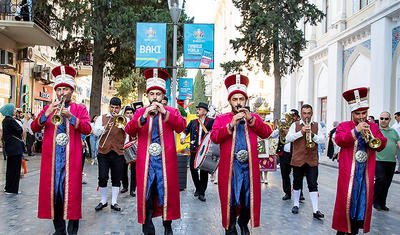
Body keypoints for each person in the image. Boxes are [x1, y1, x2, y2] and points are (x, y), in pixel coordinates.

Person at [31, 65, 91, 235]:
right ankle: (59, 230)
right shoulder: (48, 108)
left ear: (71, 91)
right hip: (52, 162)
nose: (62, 93)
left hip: (71, 161)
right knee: (54, 196)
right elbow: (35, 127)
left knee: (71, 197)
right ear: (55, 91)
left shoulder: (80, 108)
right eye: (59, 89)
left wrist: (70, 117)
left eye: (65, 89)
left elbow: (87, 129)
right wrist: (47, 112)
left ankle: (72, 231)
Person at [125, 68, 186, 235]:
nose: (155, 97)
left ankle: (168, 225)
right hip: (146, 163)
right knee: (147, 195)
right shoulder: (139, 112)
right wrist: (143, 117)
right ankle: (147, 226)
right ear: (148, 95)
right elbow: (129, 130)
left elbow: (181, 126)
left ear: (163, 96)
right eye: (152, 94)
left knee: (167, 194)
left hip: (166, 162)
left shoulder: (171, 111)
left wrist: (165, 112)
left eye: (158, 94)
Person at [210, 74, 272, 234]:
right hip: (229, 170)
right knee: (229, 200)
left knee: (247, 200)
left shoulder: (254, 118)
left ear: (246, 101)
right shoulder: (222, 118)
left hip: (249, 170)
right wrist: (231, 125)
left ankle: (244, 223)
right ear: (230, 101)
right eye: (235, 99)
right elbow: (215, 137)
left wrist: (251, 119)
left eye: (241, 99)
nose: (238, 103)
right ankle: (230, 227)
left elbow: (266, 133)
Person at [332, 87, 387, 235]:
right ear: (352, 113)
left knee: (362, 203)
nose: (362, 116)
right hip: (349, 172)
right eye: (358, 113)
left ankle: (354, 229)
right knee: (346, 201)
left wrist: (372, 138)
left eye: (364, 113)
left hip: (366, 174)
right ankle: (342, 230)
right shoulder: (344, 126)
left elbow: (381, 144)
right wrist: (356, 131)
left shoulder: (374, 126)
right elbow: (340, 140)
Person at [286, 104, 325, 219]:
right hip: (298, 159)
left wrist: (312, 136)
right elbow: (288, 138)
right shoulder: (295, 125)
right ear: (301, 114)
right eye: (304, 113)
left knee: (313, 184)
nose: (306, 116)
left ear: (312, 113)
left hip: (312, 159)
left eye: (308, 113)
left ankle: (315, 210)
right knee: (297, 183)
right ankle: (296, 204)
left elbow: (322, 140)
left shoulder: (317, 125)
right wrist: (301, 133)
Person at [93, 97, 126, 212]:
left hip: (118, 152)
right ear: (109, 106)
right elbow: (95, 132)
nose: (114, 110)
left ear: (120, 108)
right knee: (102, 176)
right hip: (103, 152)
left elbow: (130, 131)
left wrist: (122, 124)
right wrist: (105, 128)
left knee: (116, 177)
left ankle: (114, 202)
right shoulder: (102, 118)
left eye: (117, 108)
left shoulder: (124, 119)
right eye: (112, 107)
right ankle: (103, 201)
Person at [180, 102, 214, 202]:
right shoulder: (193, 122)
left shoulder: (211, 122)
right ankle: (198, 188)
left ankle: (202, 192)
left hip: (205, 151)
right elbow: (185, 131)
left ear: (205, 111)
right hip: (194, 150)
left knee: (204, 172)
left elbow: (216, 132)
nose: (197, 110)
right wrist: (183, 138)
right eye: (197, 109)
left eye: (199, 109)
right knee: (193, 169)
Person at [373, 112, 400, 211]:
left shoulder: (393, 131)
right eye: (381, 118)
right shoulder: (376, 130)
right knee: (381, 179)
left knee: (387, 183)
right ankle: (375, 202)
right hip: (378, 160)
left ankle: (382, 203)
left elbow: (398, 142)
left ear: (389, 120)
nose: (383, 120)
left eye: (386, 119)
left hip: (391, 161)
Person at [1, 103, 24, 194]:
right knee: (14, 169)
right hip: (15, 148)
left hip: (10, 148)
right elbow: (19, 130)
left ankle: (8, 187)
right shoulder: (10, 120)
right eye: (14, 109)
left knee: (10, 169)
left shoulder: (5, 120)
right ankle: (12, 189)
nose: (15, 111)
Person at [121, 106, 135, 195]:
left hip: (133, 148)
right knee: (123, 169)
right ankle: (125, 186)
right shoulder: (122, 122)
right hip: (123, 147)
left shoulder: (136, 122)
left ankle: (132, 189)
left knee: (134, 170)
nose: (129, 115)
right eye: (127, 113)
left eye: (131, 113)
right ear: (125, 114)